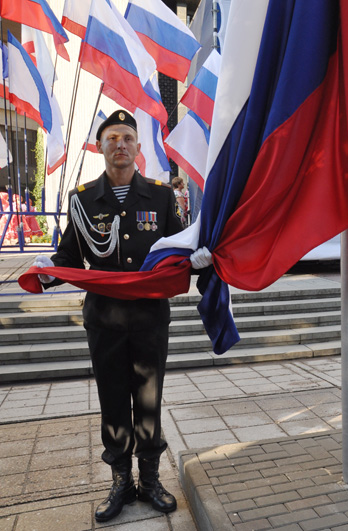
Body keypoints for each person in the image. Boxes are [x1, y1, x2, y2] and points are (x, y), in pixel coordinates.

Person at [31, 110, 211, 523]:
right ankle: (120, 482)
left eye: (128, 137)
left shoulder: (162, 197)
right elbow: (70, 257)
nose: (120, 145)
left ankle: (150, 480)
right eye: (112, 138)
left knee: (148, 401)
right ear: (100, 147)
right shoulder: (82, 199)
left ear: (138, 148)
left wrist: (200, 261)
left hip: (149, 319)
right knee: (113, 401)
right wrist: (47, 271)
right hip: (105, 320)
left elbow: (180, 249)